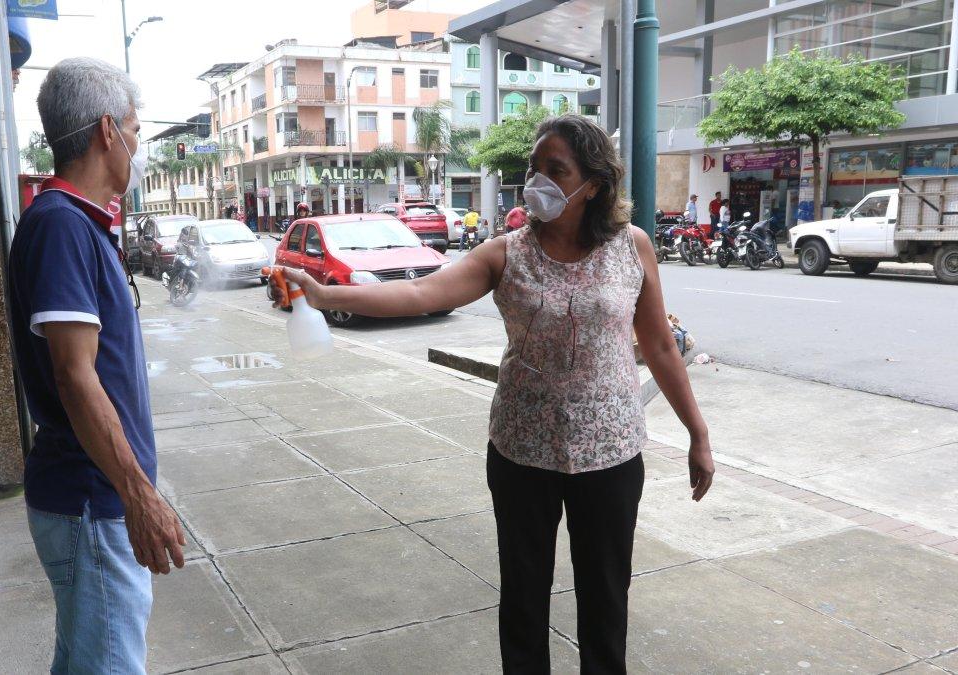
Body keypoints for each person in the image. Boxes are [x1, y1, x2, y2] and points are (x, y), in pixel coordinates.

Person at [270, 114, 714, 673]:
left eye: (556, 170)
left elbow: (660, 345)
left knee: (606, 598)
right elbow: (420, 293)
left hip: (611, 454)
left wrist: (698, 434)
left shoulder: (633, 247)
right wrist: (324, 291)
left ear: (594, 183)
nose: (538, 181)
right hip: (521, 451)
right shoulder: (506, 253)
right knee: (524, 599)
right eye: (534, 168)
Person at [7, 57, 185, 674]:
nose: (137, 149)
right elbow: (75, 376)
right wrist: (139, 495)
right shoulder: (61, 227)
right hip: (90, 500)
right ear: (107, 131)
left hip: (91, 500)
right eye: (135, 132)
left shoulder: (77, 225)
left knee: (87, 658)